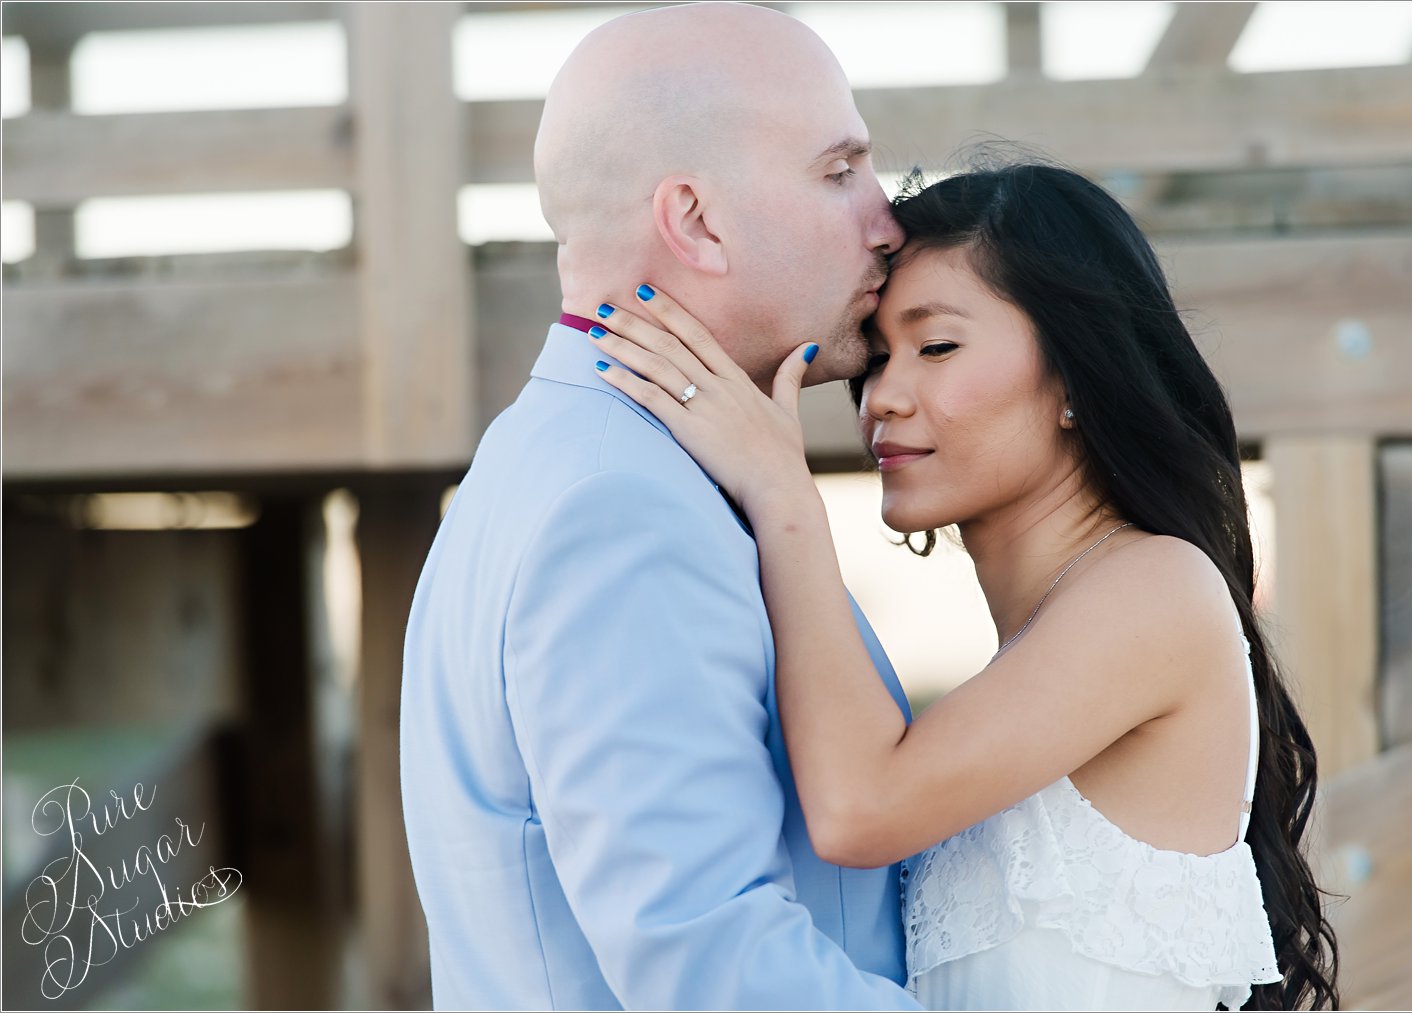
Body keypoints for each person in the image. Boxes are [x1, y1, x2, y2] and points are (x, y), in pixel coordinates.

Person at [585, 160, 1342, 1010]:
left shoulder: (1156, 589)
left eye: (937, 346)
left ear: (1073, 377)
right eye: (876, 356)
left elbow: (858, 808)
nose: (883, 398)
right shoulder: (1050, 636)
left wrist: (784, 498)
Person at [399, 3, 922, 1008]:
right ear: (693, 221)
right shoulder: (616, 508)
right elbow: (710, 961)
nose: (885, 221)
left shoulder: (572, 458)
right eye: (836, 169)